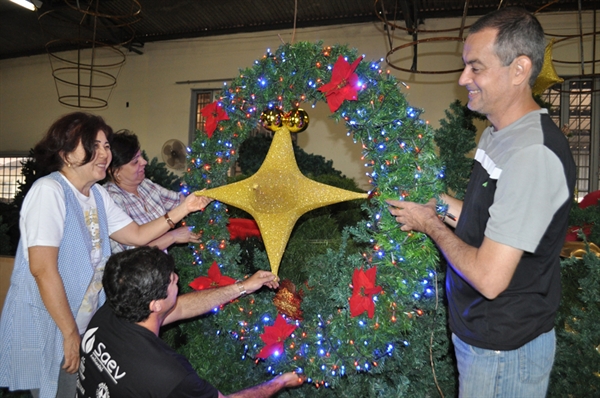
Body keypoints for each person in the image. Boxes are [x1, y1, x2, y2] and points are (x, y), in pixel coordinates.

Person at [387, 7, 575, 398]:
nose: (462, 79)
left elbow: (490, 279)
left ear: (520, 69)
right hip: (481, 336)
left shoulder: (531, 154)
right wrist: (434, 202)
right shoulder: (498, 134)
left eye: (476, 68)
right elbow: (483, 219)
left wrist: (429, 224)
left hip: (504, 349)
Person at [0, 112, 211, 398]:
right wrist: (70, 332)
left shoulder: (97, 195)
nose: (104, 154)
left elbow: (136, 235)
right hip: (54, 324)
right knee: (58, 390)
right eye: (93, 145)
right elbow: (42, 269)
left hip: (85, 320)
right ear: (65, 153)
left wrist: (184, 209)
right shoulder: (49, 191)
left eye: (106, 146)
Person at [77, 246, 303, 397]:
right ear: (155, 304)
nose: (177, 278)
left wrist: (243, 287)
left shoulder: (113, 309)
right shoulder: (168, 375)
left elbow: (181, 307)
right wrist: (280, 382)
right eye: (172, 280)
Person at [104, 130, 206, 253]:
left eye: (140, 156)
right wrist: (172, 237)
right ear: (116, 172)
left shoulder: (145, 186)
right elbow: (132, 254)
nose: (144, 162)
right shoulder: (110, 199)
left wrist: (206, 194)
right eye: (135, 162)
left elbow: (178, 201)